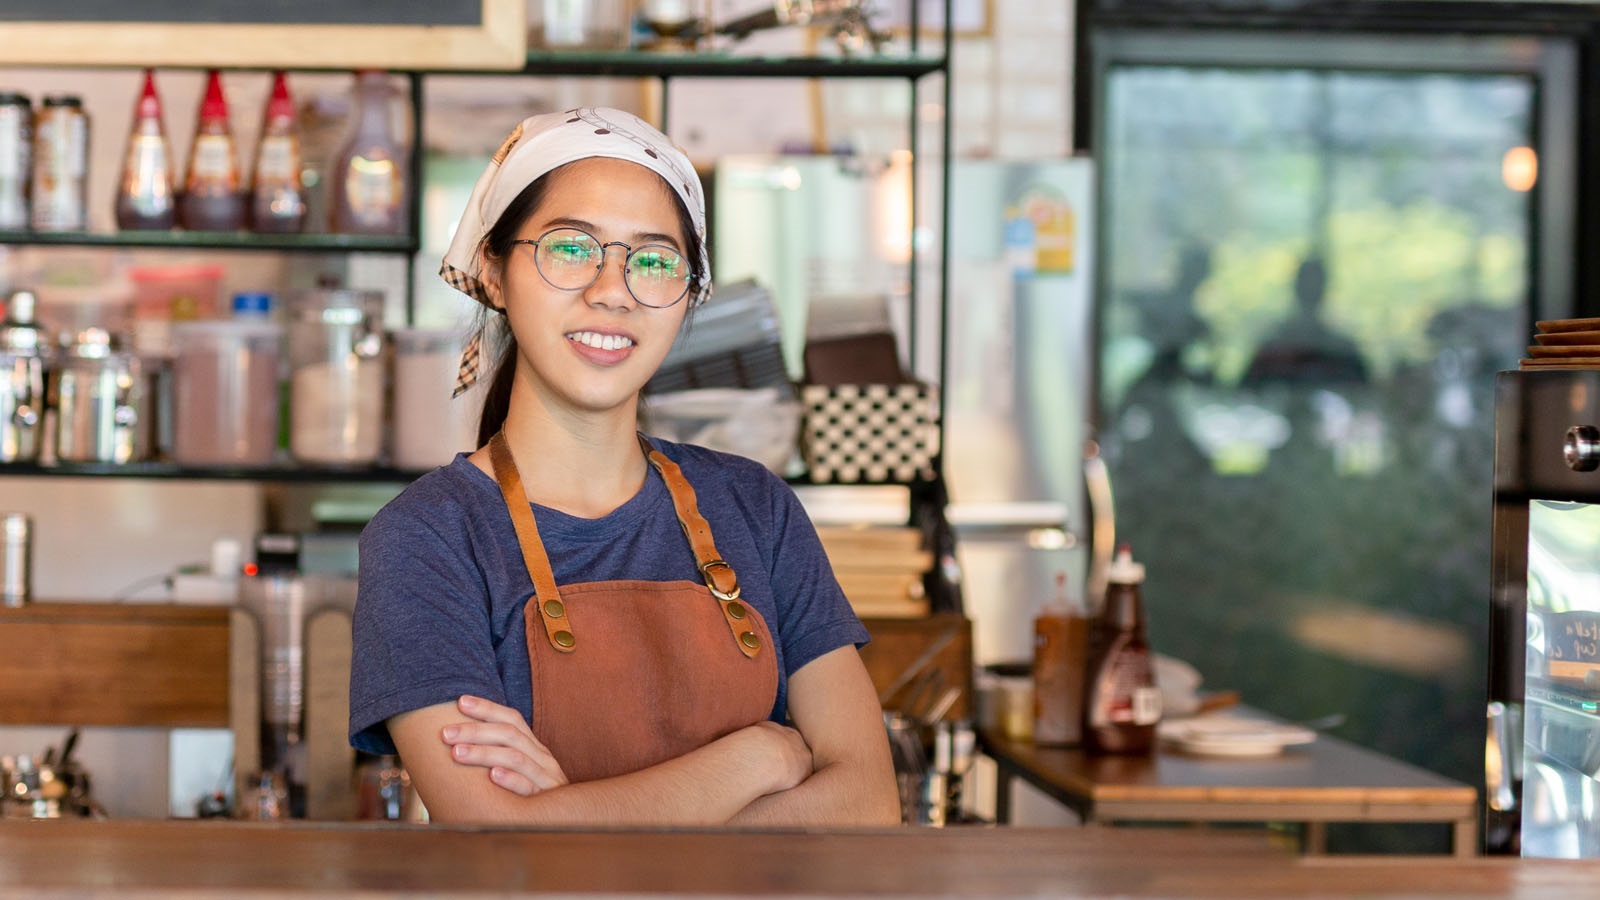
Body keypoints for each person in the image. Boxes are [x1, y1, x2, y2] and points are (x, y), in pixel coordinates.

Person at [348, 107, 900, 827]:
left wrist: (574, 821)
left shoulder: (755, 509)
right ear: (493, 270)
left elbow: (868, 804)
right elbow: (492, 833)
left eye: (654, 260)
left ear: (689, 293)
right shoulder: (428, 539)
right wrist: (756, 759)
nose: (612, 290)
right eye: (570, 248)